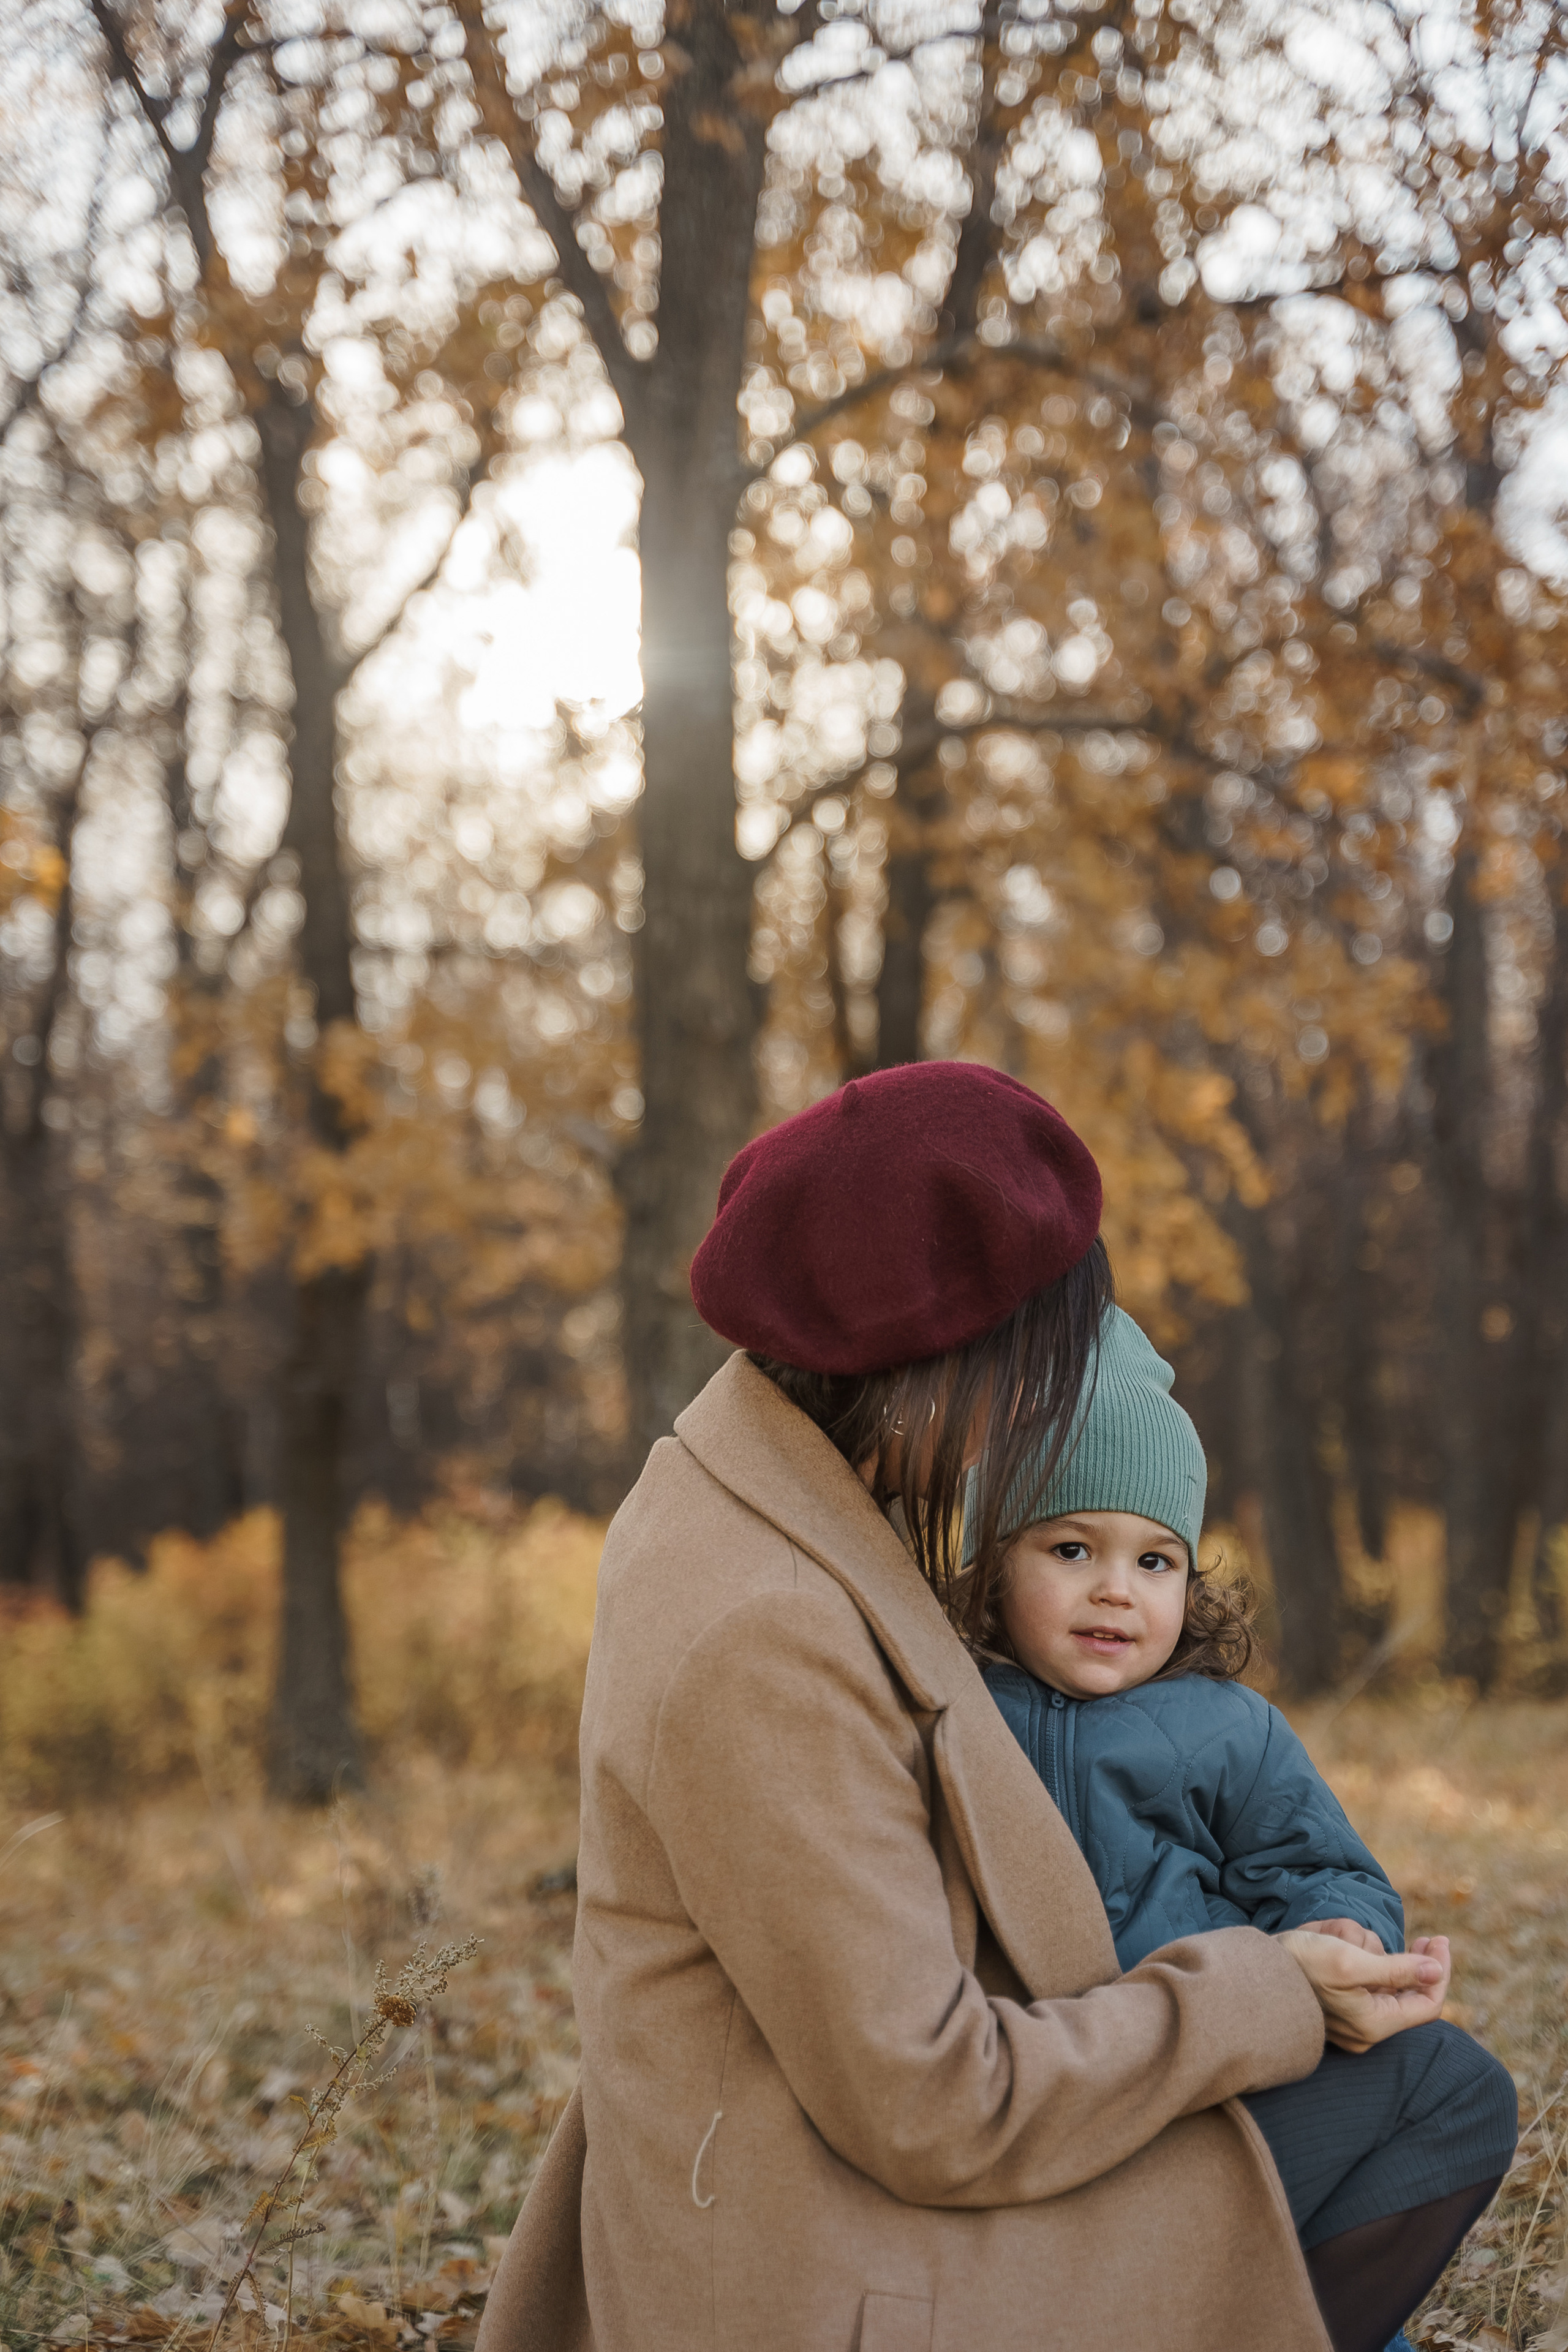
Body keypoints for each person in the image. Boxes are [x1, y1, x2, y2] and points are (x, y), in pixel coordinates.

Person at [477, 1062, 1472, 2352]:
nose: (1034, 1418)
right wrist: (1262, 1989)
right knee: (1434, 2094)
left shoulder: (748, 1494)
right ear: (942, 1360)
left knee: (1401, 2088)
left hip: (808, 2163)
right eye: (1034, 1375)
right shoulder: (762, 1624)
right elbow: (930, 2103)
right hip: (822, 2256)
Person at [975, 1306, 1517, 2352]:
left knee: (1461, 2095)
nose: (1114, 1590)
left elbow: (1316, 1863)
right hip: (1038, 2099)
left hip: (1213, 2085)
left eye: (1155, 1562)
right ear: (994, 1561)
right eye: (1073, 1546)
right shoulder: (950, 1709)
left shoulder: (1226, 1725)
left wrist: (1345, 1928)